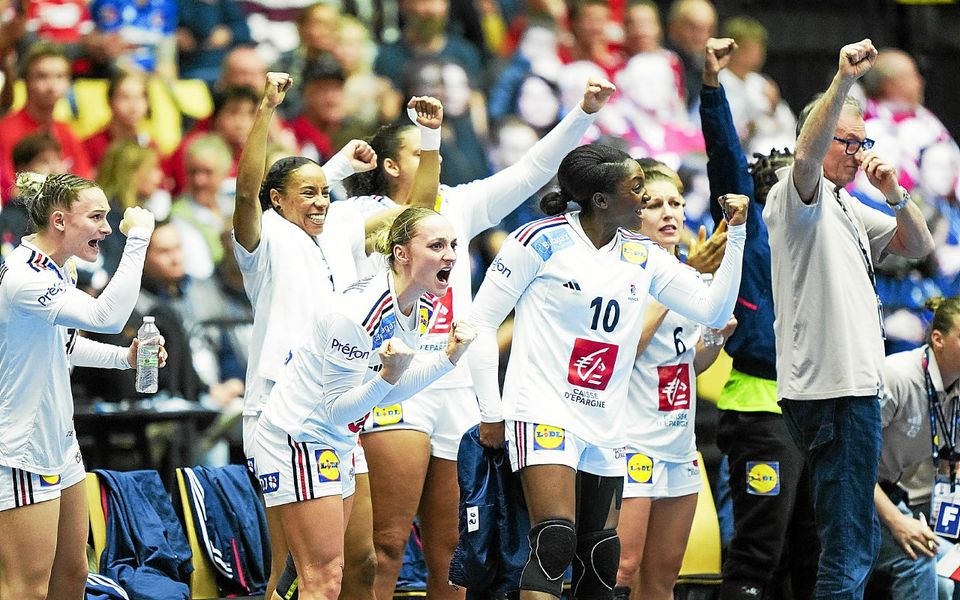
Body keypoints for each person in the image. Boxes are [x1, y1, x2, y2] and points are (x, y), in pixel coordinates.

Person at [346, 77, 616, 600]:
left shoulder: (459, 203)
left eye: (438, 149)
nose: (437, 156)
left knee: (455, 553)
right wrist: (429, 137)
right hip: (394, 379)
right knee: (386, 544)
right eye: (422, 148)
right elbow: (411, 220)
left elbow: (532, 170)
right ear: (391, 165)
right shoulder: (360, 217)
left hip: (454, 383)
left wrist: (581, 113)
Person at [467, 143, 748, 600]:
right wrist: (491, 411)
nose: (645, 198)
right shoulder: (537, 241)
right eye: (637, 189)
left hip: (606, 420)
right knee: (554, 541)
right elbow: (478, 324)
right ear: (601, 200)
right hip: (542, 408)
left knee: (601, 558)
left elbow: (713, 307)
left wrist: (736, 235)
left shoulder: (642, 254)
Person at [233, 71, 439, 598]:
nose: (323, 202)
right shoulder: (265, 240)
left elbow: (417, 216)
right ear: (276, 199)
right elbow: (249, 186)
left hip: (340, 409)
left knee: (361, 560)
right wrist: (266, 109)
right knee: (293, 569)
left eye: (328, 193)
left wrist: (430, 143)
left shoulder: (344, 227)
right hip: (280, 409)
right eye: (310, 194)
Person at [762, 39, 935, 598]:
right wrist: (841, 82)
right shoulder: (798, 192)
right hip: (834, 390)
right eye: (848, 141)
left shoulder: (844, 200)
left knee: (840, 539)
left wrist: (892, 190)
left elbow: (919, 245)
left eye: (864, 142)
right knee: (849, 546)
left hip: (846, 388)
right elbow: (809, 155)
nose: (858, 153)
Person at [252, 206, 477, 600]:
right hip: (300, 436)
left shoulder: (419, 303)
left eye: (453, 245)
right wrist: (388, 374)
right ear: (402, 253)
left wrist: (448, 358)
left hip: (337, 437)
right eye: (437, 245)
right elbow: (339, 407)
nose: (451, 255)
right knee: (323, 578)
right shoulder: (356, 314)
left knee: (315, 572)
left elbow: (392, 388)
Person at [696, 37, 819, 600]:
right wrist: (713, 89)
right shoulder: (751, 233)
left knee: (812, 554)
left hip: (816, 408)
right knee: (757, 557)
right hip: (759, 406)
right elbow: (724, 158)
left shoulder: (824, 237)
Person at [0, 172, 158, 599]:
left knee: (72, 575)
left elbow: (65, 345)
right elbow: (107, 317)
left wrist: (123, 358)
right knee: (25, 587)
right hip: (20, 448)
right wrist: (138, 239)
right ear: (60, 221)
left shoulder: (60, 266)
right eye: (98, 217)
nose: (108, 229)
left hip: (60, 440)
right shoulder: (22, 277)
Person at [614, 163, 737, 600]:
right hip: (630, 444)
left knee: (664, 579)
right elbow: (620, 355)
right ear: (633, 214)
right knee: (620, 572)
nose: (670, 213)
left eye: (677, 204)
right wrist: (677, 281)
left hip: (679, 445)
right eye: (655, 204)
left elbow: (691, 365)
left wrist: (718, 339)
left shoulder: (694, 279)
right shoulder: (617, 276)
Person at [867, 295, 960, 599]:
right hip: (853, 496)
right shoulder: (897, 376)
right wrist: (897, 522)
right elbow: (848, 464)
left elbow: (951, 464)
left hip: (891, 495)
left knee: (951, 575)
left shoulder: (956, 390)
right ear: (938, 340)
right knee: (920, 555)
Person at [0, 42, 93, 197]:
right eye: (42, 76)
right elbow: (10, 191)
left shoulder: (67, 132)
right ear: (26, 81)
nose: (52, 86)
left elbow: (86, 185)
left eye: (60, 76)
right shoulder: (5, 131)